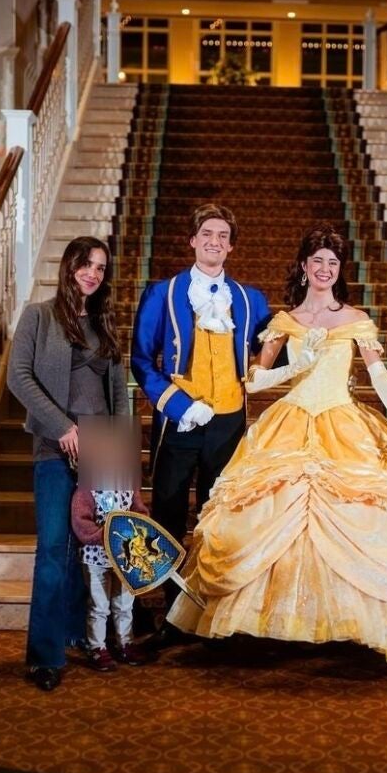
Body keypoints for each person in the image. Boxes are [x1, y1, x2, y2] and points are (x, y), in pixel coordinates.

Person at [168, 223, 387, 677]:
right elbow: (255, 381)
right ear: (304, 267)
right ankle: (273, 624)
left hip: (344, 422)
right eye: (317, 261)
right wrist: (294, 366)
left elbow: (380, 378)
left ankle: (352, 624)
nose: (324, 269)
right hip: (291, 421)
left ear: (339, 271)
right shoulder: (284, 322)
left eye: (333, 263)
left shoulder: (356, 320)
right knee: (270, 511)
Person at [131, 203, 271, 642]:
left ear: (231, 245)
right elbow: (141, 360)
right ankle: (162, 607)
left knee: (218, 515)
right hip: (182, 421)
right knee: (169, 512)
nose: (215, 241)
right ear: (192, 240)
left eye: (223, 235)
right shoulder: (164, 293)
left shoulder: (250, 299)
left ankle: (209, 607)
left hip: (229, 423)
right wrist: (178, 405)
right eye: (207, 233)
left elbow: (272, 350)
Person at [7, 236, 129, 692]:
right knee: (55, 549)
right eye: (86, 263)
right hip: (56, 448)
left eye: (101, 267)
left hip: (102, 450)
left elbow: (118, 393)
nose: (93, 273)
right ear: (70, 266)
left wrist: (120, 452)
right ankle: (44, 655)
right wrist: (61, 426)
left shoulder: (105, 322)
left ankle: (83, 634)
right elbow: (19, 376)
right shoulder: (38, 316)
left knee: (92, 549)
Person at [70, 417, 149, 672]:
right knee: (99, 604)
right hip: (97, 556)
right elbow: (81, 522)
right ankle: (97, 647)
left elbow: (139, 510)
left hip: (125, 556)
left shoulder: (128, 483)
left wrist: (139, 527)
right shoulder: (87, 487)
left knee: (125, 603)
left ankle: (125, 641)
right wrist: (101, 535)